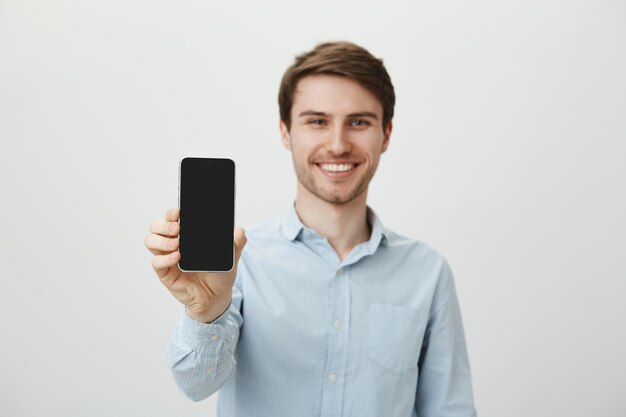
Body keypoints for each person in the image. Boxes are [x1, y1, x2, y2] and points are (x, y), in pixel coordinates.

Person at [145, 41, 477, 417]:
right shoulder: (239, 262)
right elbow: (195, 384)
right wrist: (206, 311)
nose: (337, 144)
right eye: (317, 121)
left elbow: (452, 410)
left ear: (386, 134)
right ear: (286, 131)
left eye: (359, 122)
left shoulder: (427, 272)